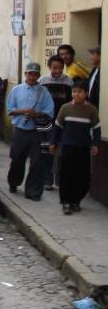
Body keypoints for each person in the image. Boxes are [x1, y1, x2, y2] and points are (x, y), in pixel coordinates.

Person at [50, 79, 101, 215]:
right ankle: (65, 201)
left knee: (82, 175)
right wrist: (53, 143)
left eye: (79, 92)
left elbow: (96, 128)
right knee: (66, 174)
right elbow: (57, 127)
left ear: (86, 93)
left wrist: (95, 144)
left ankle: (76, 200)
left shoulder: (91, 110)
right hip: (67, 146)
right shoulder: (65, 108)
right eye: (74, 92)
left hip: (83, 147)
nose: (76, 94)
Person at [6, 62, 55, 200]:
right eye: (29, 74)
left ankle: (33, 192)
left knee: (36, 163)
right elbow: (10, 110)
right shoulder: (16, 90)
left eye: (35, 74)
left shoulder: (43, 92)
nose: (32, 77)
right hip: (20, 130)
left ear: (38, 76)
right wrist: (24, 111)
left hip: (36, 132)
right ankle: (14, 182)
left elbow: (49, 111)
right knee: (17, 160)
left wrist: (36, 114)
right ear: (25, 74)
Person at [40, 55, 73, 190]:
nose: (58, 71)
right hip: (47, 121)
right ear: (49, 67)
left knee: (62, 151)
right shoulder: (43, 81)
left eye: (60, 68)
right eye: (54, 68)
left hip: (63, 122)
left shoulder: (69, 82)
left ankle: (59, 180)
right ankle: (47, 180)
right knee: (47, 150)